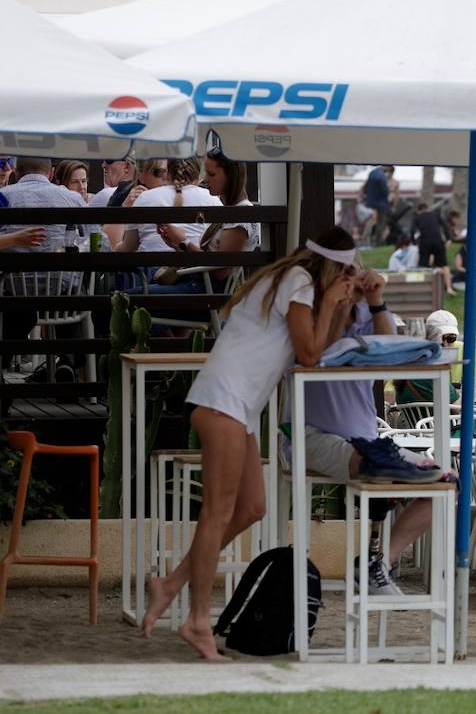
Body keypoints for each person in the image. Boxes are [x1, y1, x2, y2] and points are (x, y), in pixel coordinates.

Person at [139, 225, 361, 658]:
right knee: (217, 515)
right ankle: (197, 621)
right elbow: (310, 355)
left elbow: (320, 350)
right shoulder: (297, 281)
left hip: (236, 407)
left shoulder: (291, 281)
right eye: (347, 272)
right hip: (224, 401)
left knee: (251, 508)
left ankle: (171, 583)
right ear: (332, 266)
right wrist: (333, 302)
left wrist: (340, 305)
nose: (348, 279)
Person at [298, 268, 441, 598]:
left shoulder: (363, 312)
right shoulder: (310, 315)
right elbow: (322, 354)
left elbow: (389, 349)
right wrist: (339, 303)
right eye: (344, 278)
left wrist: (375, 301)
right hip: (314, 435)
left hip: (367, 441)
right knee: (380, 469)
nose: (352, 285)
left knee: (444, 480)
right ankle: (375, 558)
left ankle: (378, 563)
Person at [0, 158, 91, 358]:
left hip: (16, 294)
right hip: (64, 298)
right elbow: (98, 245)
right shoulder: (72, 199)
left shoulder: (3, 197)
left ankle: (6, 357)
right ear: (50, 173)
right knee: (73, 285)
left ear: (16, 171)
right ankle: (70, 358)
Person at [146, 150, 258, 293]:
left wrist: (183, 242)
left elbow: (219, 272)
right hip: (201, 287)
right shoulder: (234, 211)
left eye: (211, 174)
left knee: (129, 298)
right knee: (129, 297)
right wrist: (177, 244)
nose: (204, 180)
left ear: (231, 176)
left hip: (206, 291)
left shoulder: (241, 215)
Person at [115, 158, 220, 264]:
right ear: (197, 177)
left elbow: (128, 247)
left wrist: (112, 249)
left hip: (151, 272)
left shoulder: (145, 197)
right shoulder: (213, 199)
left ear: (168, 173)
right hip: (195, 271)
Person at [394, 309, 476, 405]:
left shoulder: (406, 368)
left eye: (451, 338)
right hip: (442, 419)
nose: (445, 345)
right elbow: (460, 406)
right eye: (440, 344)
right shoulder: (433, 375)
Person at [362, 165, 394, 247]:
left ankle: (369, 240)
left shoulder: (372, 173)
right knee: (381, 224)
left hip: (371, 203)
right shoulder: (381, 175)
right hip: (381, 203)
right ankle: (377, 242)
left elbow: (365, 187)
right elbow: (385, 191)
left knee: (372, 222)